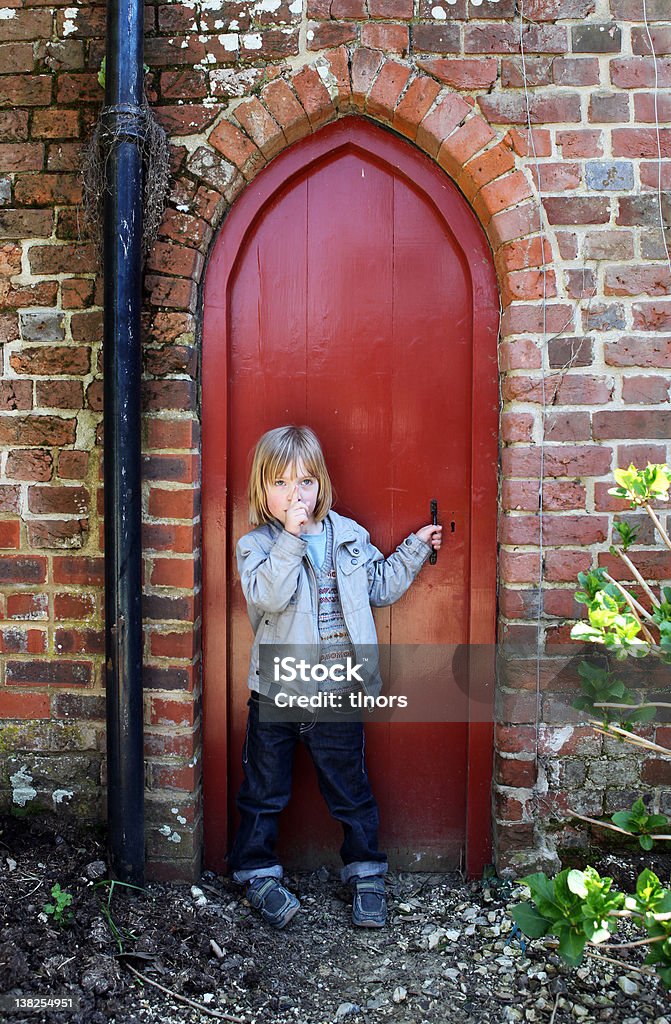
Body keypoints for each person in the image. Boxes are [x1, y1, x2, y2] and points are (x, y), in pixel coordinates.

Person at [228, 425, 442, 929]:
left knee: (351, 789)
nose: (295, 494)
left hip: (339, 690)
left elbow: (380, 587)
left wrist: (414, 548)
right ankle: (257, 873)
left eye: (305, 482)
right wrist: (291, 538)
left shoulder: (349, 537)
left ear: (320, 484)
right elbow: (266, 597)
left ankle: (366, 873)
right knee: (264, 790)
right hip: (277, 690)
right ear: (263, 491)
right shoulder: (256, 546)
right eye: (280, 483)